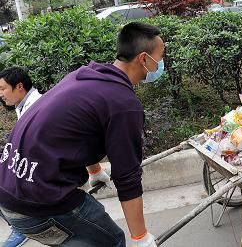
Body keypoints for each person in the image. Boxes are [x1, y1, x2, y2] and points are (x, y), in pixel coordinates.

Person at [0, 22, 164, 246]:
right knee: (112, 240)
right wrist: (141, 237)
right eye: (160, 57)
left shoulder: (83, 76)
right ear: (143, 59)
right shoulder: (123, 104)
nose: (162, 63)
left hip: (7, 191)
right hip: (37, 203)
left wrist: (95, 171)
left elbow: (77, 131)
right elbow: (128, 178)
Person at [0, 67, 43, 247]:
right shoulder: (24, 104)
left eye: (2, 89)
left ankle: (20, 227)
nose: (0, 94)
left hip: (38, 170)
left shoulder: (35, 106)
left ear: (19, 87)